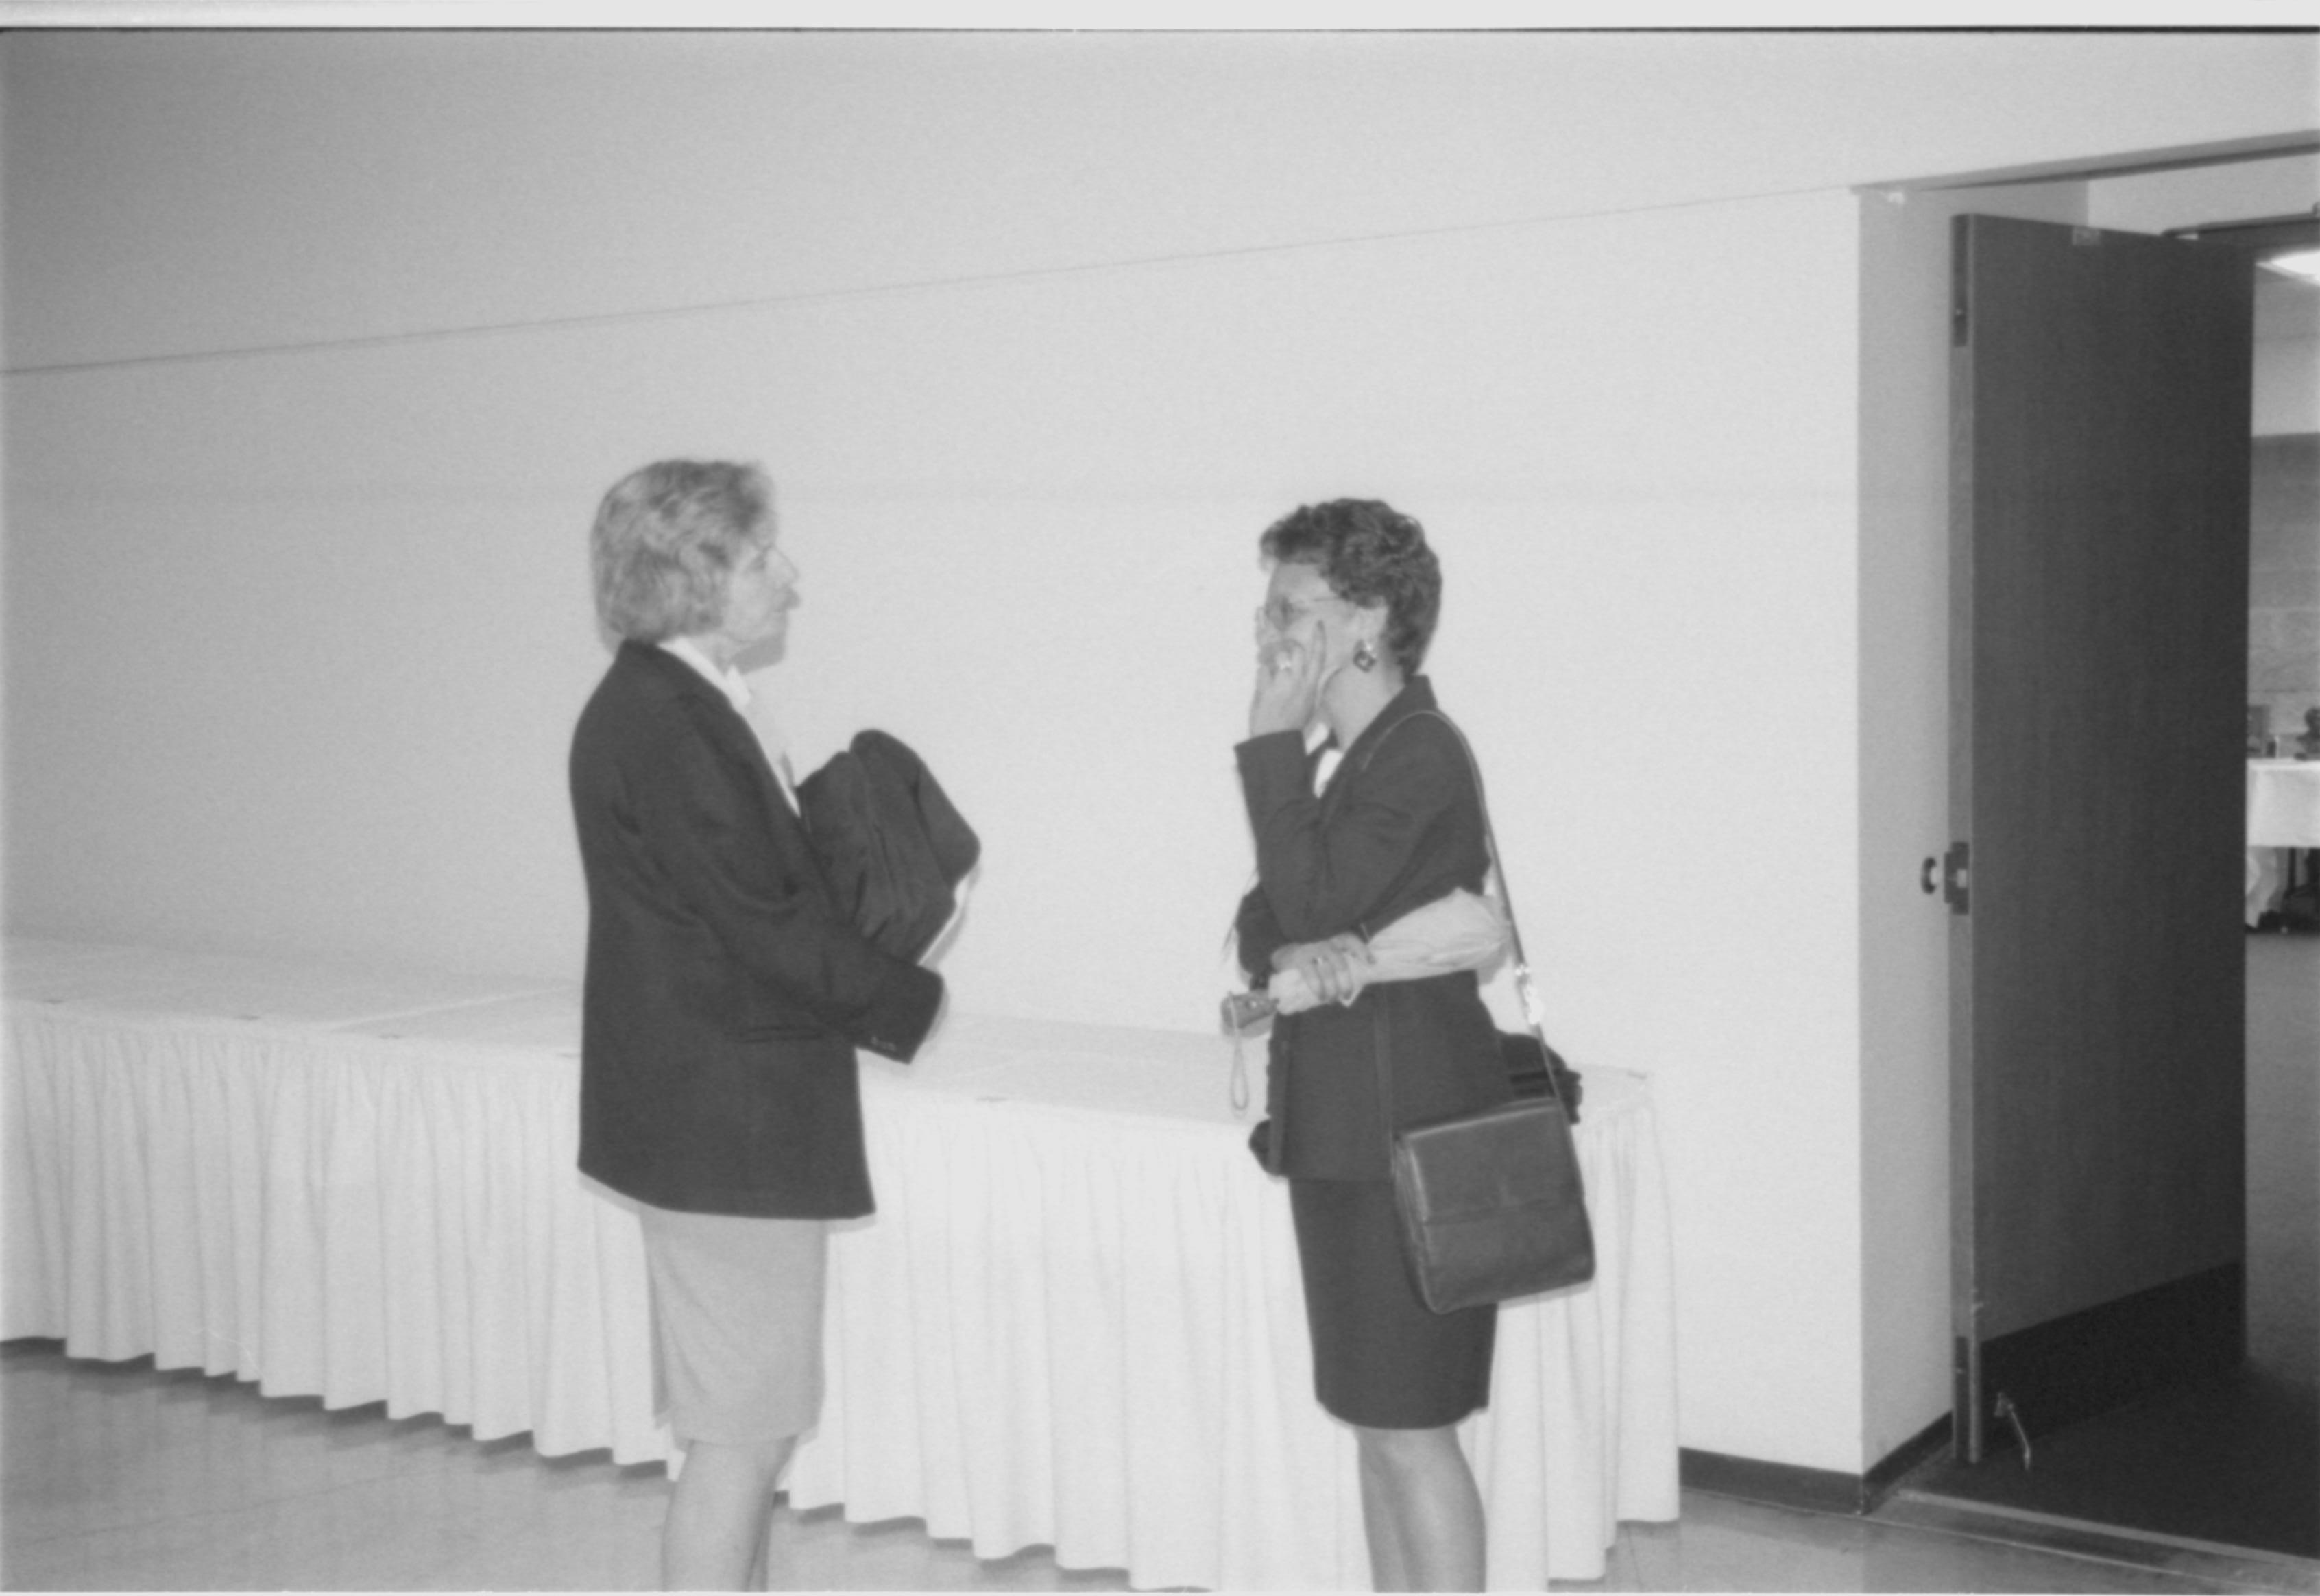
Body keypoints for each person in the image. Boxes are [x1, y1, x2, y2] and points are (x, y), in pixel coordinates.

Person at [569, 459, 945, 1590]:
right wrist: (910, 994)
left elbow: (747, 901)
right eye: (761, 555)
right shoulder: (669, 719)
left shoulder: (674, 703)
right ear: (696, 574)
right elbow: (764, 927)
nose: (790, 577)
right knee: (739, 1439)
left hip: (720, 1126)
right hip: (728, 1135)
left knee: (748, 1432)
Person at [1233, 498, 1507, 1592]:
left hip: (1408, 1133)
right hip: (1349, 1134)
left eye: (1291, 604)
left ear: (1370, 620)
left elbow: (1297, 907)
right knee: (1375, 1422)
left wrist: (1265, 742)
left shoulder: (1419, 753)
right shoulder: (1354, 762)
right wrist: (1317, 926)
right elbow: (1264, 927)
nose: (1267, 628)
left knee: (1412, 1429)